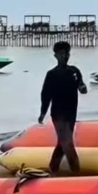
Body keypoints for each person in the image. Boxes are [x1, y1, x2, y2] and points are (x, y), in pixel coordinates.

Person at [39, 41, 87, 174]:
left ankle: (53, 168)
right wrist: (43, 112)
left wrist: (83, 88)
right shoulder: (52, 74)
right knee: (67, 143)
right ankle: (76, 172)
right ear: (55, 56)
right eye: (62, 53)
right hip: (58, 114)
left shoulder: (74, 71)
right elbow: (45, 94)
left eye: (67, 53)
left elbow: (81, 86)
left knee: (62, 142)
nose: (65, 56)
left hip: (71, 114)